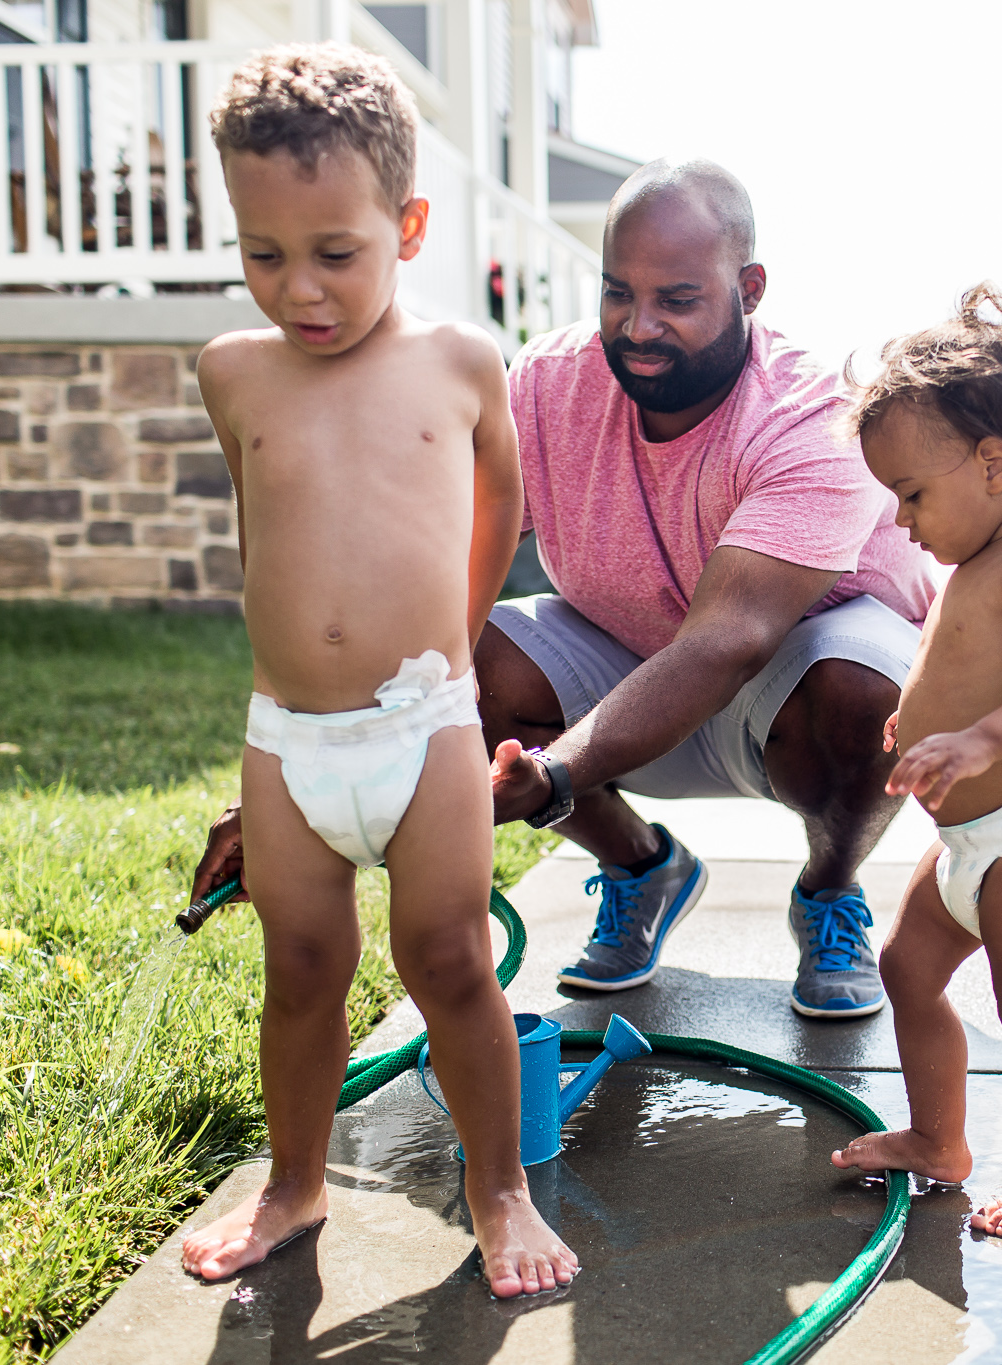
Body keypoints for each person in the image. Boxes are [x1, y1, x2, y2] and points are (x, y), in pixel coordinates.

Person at [193, 159, 936, 1020]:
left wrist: (552, 776)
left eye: (678, 300)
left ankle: (830, 889)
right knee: (456, 656)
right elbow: (419, 578)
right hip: (626, 654)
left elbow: (728, 639)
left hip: (790, 681)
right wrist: (289, 780)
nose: (639, 325)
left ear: (751, 288)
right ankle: (642, 866)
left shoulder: (813, 413)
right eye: (619, 292)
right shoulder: (549, 385)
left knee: (867, 698)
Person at [175, 44, 576, 1298]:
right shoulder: (231, 372)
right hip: (289, 741)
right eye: (262, 253)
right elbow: (267, 538)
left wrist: (446, 665)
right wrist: (276, 728)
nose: (299, 288)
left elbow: (495, 511)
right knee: (298, 968)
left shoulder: (460, 362)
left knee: (447, 957)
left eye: (334, 253)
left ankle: (496, 1187)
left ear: (406, 225)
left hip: (424, 730)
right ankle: (294, 1189)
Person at [830, 285, 1002, 1238]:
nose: (902, 519)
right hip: (967, 845)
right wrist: (912, 722)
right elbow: (959, 667)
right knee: (907, 969)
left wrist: (983, 738)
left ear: (994, 464)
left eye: (912, 493)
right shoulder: (971, 568)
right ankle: (938, 1139)